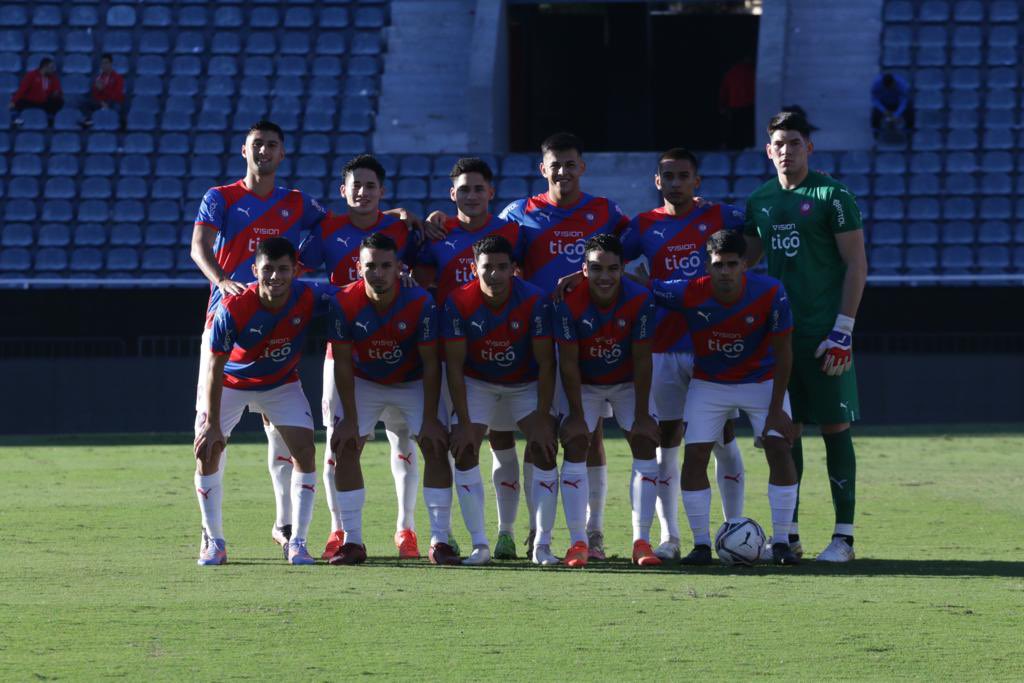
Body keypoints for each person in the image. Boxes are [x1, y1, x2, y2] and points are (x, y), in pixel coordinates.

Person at [429, 132, 630, 560]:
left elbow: (631, 255)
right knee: (501, 440)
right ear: (543, 169)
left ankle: (590, 534)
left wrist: (588, 276)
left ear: (582, 166)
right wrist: (438, 219)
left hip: (581, 336)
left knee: (585, 434)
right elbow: (487, 244)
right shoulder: (518, 215)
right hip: (521, 339)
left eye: (570, 163)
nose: (563, 171)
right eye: (555, 164)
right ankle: (505, 533)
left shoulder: (606, 212)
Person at [191, 120, 327, 555]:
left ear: (282, 153)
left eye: (272, 145)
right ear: (244, 151)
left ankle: (287, 526)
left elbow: (338, 227)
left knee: (282, 434)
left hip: (280, 316)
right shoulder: (222, 197)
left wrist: (394, 217)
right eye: (257, 145)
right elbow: (199, 247)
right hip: (230, 325)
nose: (264, 151)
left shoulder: (297, 202)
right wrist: (222, 281)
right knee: (209, 439)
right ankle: (212, 537)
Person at [743, 110, 868, 563]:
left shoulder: (832, 195)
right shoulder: (759, 200)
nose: (786, 150)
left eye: (795, 142)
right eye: (779, 143)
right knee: (783, 434)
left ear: (808, 148)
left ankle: (844, 539)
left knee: (835, 429)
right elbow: (744, 263)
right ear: (768, 149)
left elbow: (857, 264)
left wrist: (843, 330)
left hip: (824, 335)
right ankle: (787, 536)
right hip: (779, 338)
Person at [618, 148, 748, 562]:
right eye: (668, 176)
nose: (675, 182)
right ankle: (671, 537)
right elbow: (604, 257)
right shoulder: (644, 226)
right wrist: (634, 281)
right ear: (658, 182)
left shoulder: (722, 217)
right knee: (667, 440)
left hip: (710, 345)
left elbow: (760, 233)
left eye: (683, 175)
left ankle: (735, 529)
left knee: (722, 436)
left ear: (697, 181)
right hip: (662, 347)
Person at [297, 154, 426, 561]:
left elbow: (424, 271)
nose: (363, 192)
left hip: (398, 355)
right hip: (344, 351)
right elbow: (295, 269)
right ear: (343, 191)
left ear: (382, 192)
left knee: (403, 441)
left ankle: (406, 528)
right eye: (356, 185)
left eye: (371, 186)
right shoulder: (328, 228)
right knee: (339, 442)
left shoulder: (401, 228)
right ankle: (340, 530)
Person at [651, 230, 800, 565]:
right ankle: (702, 545)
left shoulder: (771, 292)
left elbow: (785, 352)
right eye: (718, 265)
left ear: (744, 265)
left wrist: (777, 409)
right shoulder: (689, 292)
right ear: (708, 265)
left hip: (761, 381)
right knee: (695, 457)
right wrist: (581, 276)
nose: (725, 272)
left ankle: (780, 542)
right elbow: (639, 287)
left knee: (778, 447)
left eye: (732, 264)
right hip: (710, 383)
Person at [193, 238, 338, 566]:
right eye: (268, 269)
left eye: (283, 269)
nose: (275, 276)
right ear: (255, 269)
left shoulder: (308, 295)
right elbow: (214, 367)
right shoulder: (233, 306)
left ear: (295, 271)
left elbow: (352, 294)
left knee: (305, 450)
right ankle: (213, 540)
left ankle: (298, 542)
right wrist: (213, 424)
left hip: (280, 383)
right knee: (207, 449)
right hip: (232, 383)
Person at [414, 158, 526, 560]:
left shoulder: (512, 232)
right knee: (456, 444)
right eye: (464, 189)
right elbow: (421, 283)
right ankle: (449, 535)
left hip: (503, 353)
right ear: (452, 194)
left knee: (502, 440)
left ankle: (506, 533)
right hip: (453, 356)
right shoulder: (438, 233)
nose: (472, 196)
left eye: (479, 189)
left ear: (491, 193)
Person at [327, 233, 448, 566]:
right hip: (365, 380)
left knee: (436, 445)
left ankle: (440, 540)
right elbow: (343, 363)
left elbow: (430, 363)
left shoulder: (420, 302)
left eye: (385, 265)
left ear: (399, 268)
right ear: (358, 267)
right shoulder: (343, 301)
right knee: (345, 446)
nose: (377, 272)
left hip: (412, 381)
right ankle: (352, 542)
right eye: (370, 266)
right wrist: (349, 419)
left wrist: (432, 418)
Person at [443, 235, 557, 565]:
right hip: (478, 383)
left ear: (514, 269)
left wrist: (544, 417)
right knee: (464, 449)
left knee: (545, 449)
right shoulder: (458, 300)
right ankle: (479, 545)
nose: (494, 274)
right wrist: (463, 423)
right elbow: (453, 364)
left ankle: (542, 546)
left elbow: (547, 363)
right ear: (473, 268)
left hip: (525, 385)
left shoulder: (534, 300)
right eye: (487, 267)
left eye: (502, 267)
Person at [553, 234, 661, 568]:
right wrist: (574, 414)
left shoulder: (640, 299)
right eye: (596, 268)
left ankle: (641, 541)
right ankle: (578, 542)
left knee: (645, 440)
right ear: (583, 269)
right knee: (574, 442)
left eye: (612, 269)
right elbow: (568, 363)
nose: (604, 276)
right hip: (584, 382)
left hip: (626, 381)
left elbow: (643, 359)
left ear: (622, 268)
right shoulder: (569, 301)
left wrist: (643, 414)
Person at [9, 57, 63, 126]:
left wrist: (57, 93)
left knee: (59, 101)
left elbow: (58, 90)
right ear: (45, 67)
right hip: (31, 101)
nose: (53, 70)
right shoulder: (31, 75)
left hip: (44, 102)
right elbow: (22, 90)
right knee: (19, 102)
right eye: (51, 67)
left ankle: (50, 120)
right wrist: (13, 101)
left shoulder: (53, 78)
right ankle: (18, 121)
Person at [718, 56, 755, 148]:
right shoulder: (752, 71)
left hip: (735, 105)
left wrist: (722, 105)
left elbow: (724, 90)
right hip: (749, 105)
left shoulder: (731, 72)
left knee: (735, 129)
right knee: (747, 129)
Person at [80, 53, 125, 128]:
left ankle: (119, 124)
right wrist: (101, 102)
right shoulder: (99, 78)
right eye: (102, 63)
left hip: (113, 101)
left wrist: (103, 89)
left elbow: (117, 95)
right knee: (85, 103)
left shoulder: (118, 78)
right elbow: (95, 94)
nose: (104, 65)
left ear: (111, 64)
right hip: (101, 102)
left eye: (106, 63)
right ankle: (89, 122)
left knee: (117, 106)